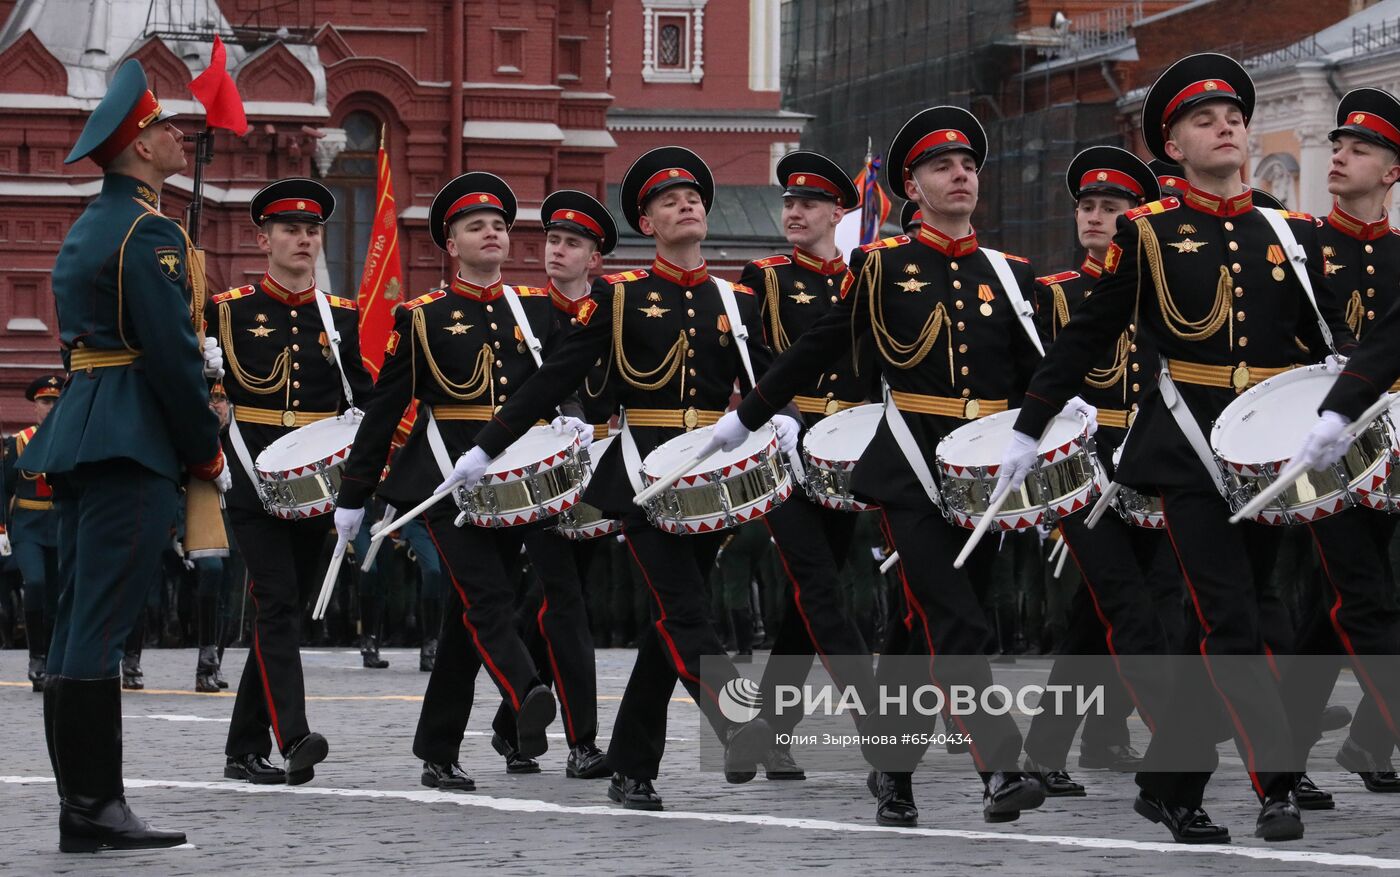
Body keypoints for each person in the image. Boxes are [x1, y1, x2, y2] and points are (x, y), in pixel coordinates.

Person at [992, 53, 1354, 843]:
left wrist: (1348, 382)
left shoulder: (1291, 233)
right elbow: (1088, 334)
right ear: (1173, 148)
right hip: (1187, 455)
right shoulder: (1149, 233)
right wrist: (1029, 424)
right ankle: (1276, 786)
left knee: (1217, 629)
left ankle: (1167, 784)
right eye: (1203, 120)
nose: (1226, 127)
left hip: (1268, 456)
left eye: (1235, 118)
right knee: (1233, 618)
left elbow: (1334, 335)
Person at [707, 107, 1054, 826]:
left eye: (968, 166)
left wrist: (1058, 413)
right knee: (956, 618)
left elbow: (1034, 371)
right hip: (910, 466)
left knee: (920, 630)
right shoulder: (882, 264)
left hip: (984, 472)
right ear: (912, 189)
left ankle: (892, 771)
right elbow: (822, 346)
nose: (960, 175)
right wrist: (751, 413)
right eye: (941, 167)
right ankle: (1001, 766)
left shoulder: (1009, 272)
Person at [438, 147, 791, 811]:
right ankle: (740, 723)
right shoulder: (621, 298)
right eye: (669, 202)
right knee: (687, 612)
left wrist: (787, 420)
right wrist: (487, 446)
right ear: (648, 224)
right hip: (641, 479)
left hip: (710, 478)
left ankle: (631, 768)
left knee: (670, 627)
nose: (686, 205)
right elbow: (554, 378)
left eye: (693, 198)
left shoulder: (736, 299)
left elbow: (770, 376)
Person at [20, 58, 229, 852]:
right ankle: (94, 806)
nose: (177, 135)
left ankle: (86, 808)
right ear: (139, 146)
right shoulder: (151, 232)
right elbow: (171, 355)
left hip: (84, 431)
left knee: (79, 618)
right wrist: (205, 449)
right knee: (100, 626)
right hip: (134, 439)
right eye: (163, 126)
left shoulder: (89, 227)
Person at [333, 172, 562, 794]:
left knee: (467, 622)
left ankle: (437, 751)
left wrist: (572, 420)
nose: (491, 233)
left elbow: (559, 382)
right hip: (442, 483)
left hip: (515, 482)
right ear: (451, 244)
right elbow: (383, 413)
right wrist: (354, 496)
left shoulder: (536, 310)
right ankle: (527, 692)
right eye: (474, 227)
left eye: (499, 225)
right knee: (487, 598)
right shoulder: (422, 316)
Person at [1018, 147, 1175, 797]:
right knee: (1118, 597)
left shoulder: (1161, 292)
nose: (1094, 217)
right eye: (1087, 206)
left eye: (1110, 208)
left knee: (1104, 609)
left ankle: (1098, 735)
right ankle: (1064, 744)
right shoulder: (1055, 293)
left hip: (1151, 459)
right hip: (1082, 463)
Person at [206, 178, 371, 787]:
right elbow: (199, 386)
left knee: (284, 611)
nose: (303, 239)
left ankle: (242, 749)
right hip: (251, 478)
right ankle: (294, 737)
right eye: (289, 230)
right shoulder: (227, 309)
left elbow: (361, 397)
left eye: (311, 231)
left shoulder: (340, 316)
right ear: (263, 240)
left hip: (319, 484)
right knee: (275, 602)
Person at [736, 150, 879, 780]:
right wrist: (784, 415)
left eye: (810, 204)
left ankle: (771, 730)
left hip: (849, 454)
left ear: (837, 213)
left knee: (808, 601)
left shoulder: (867, 276)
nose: (795, 212)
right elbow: (756, 358)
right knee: (820, 588)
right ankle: (878, 727)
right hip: (787, 451)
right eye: (790, 203)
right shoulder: (766, 277)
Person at [1287, 87, 1400, 799]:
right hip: (1317, 446)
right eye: (1336, 145)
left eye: (1359, 150)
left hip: (1389, 449)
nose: (1339, 156)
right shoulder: (1299, 246)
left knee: (1331, 607)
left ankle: (1353, 742)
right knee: (1359, 593)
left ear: (1392, 171)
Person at [484, 189, 618, 780]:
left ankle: (513, 719)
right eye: (553, 241)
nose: (557, 251)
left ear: (595, 258)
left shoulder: (615, 311)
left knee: (553, 600)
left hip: (599, 469)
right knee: (563, 601)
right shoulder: (524, 313)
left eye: (572, 244)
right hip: (538, 470)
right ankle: (582, 741)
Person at [2, 374, 64, 691]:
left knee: (56, 595)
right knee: (36, 583)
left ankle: (52, 660)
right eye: (45, 401)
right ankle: (36, 657)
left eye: (55, 401)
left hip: (60, 526)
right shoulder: (18, 442)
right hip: (28, 526)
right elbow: (4, 488)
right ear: (35, 406)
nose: (50, 407)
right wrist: (2, 528)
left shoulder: (71, 439)